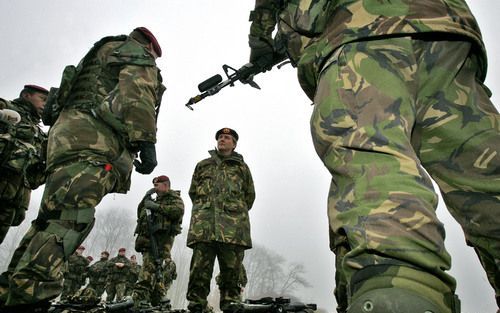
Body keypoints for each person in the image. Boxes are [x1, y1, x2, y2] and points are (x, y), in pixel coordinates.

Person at [247, 1, 500, 313]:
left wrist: (259, 37)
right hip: (446, 29)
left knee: (373, 157)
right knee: (483, 171)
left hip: (362, 29)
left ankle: (401, 290)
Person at [0, 26, 165, 312]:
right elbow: (137, 93)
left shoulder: (96, 57)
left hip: (63, 143)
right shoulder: (134, 52)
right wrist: (145, 142)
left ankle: (9, 290)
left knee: (49, 220)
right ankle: (30, 297)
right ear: (148, 46)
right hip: (92, 144)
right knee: (71, 220)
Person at [186, 128, 255, 313]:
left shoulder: (242, 168)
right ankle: (197, 306)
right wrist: (206, 212)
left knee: (231, 273)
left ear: (234, 144)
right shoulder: (203, 165)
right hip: (204, 228)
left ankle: (231, 305)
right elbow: (193, 193)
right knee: (199, 271)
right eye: (220, 137)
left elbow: (249, 196)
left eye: (227, 138)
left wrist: (231, 215)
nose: (222, 140)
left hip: (232, 230)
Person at [0, 84, 48, 244]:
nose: (45, 105)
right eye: (42, 99)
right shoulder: (7, 108)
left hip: (11, 202)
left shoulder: (39, 133)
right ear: (27, 96)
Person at [132, 175, 184, 308]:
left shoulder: (174, 199)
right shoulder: (153, 200)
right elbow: (140, 212)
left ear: (165, 185)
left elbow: (177, 212)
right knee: (152, 271)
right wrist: (146, 197)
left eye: (156, 185)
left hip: (162, 243)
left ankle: (139, 301)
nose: (154, 188)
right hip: (148, 242)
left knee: (150, 272)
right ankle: (157, 301)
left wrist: (156, 207)